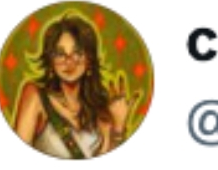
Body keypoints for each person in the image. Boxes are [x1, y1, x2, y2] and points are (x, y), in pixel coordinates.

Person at [10, 17, 132, 161]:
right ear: (51, 61)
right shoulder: (35, 96)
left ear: (89, 61)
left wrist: (117, 128)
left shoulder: (100, 108)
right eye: (60, 53)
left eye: (77, 53)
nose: (69, 61)